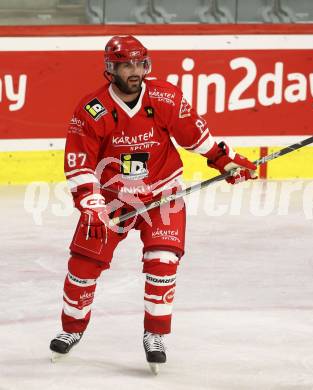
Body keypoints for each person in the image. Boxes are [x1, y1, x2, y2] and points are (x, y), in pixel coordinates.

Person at [49, 35, 257, 371]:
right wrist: (91, 205)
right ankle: (71, 329)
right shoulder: (92, 110)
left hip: (163, 193)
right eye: (126, 64)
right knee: (83, 266)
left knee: (162, 261)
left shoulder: (164, 96)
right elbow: (80, 162)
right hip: (113, 198)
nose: (135, 71)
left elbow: (195, 136)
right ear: (111, 69)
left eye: (139, 63)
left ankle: (154, 334)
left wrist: (226, 161)